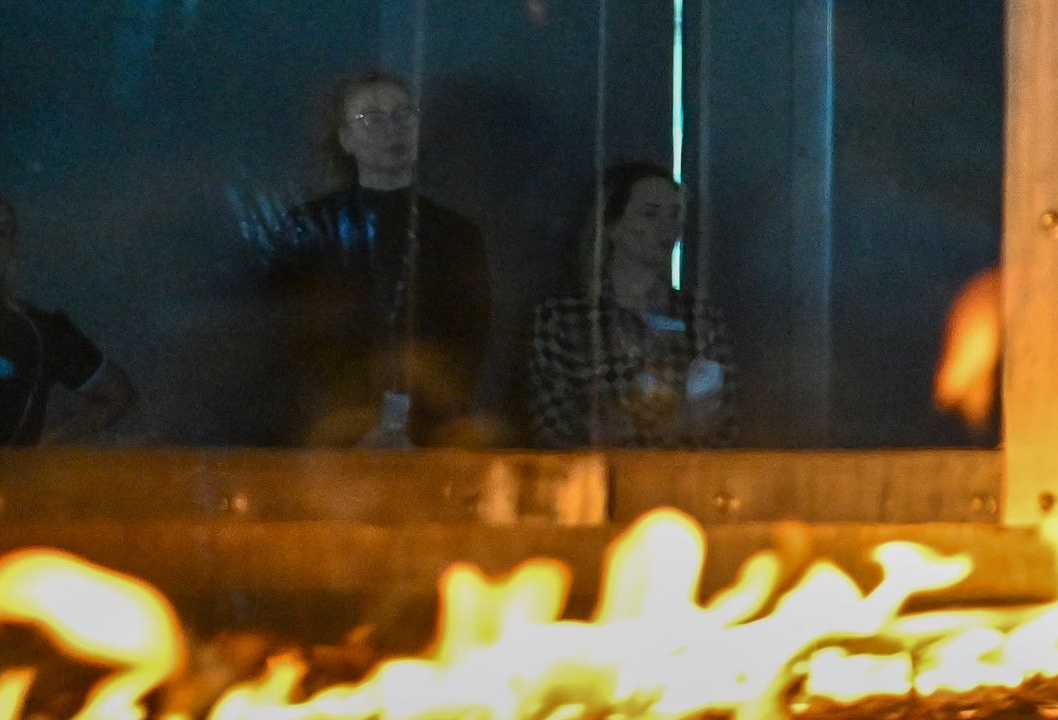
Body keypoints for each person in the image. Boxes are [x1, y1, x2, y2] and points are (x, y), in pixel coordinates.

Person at [265, 70, 495, 447]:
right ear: (346, 139)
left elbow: (468, 340)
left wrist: (423, 416)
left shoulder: (457, 233)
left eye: (404, 114)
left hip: (431, 427)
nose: (393, 129)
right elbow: (291, 335)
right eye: (372, 118)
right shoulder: (311, 226)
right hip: (330, 427)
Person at [521, 164, 735, 447]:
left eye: (674, 215)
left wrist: (622, 428)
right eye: (650, 214)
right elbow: (551, 426)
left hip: (684, 485)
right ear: (612, 226)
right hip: (595, 487)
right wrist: (678, 426)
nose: (668, 227)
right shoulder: (562, 320)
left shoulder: (699, 317)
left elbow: (725, 425)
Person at [0, 186, 137, 447]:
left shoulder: (39, 331)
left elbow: (116, 393)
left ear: (11, 251)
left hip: (2, 486)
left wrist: (43, 445)